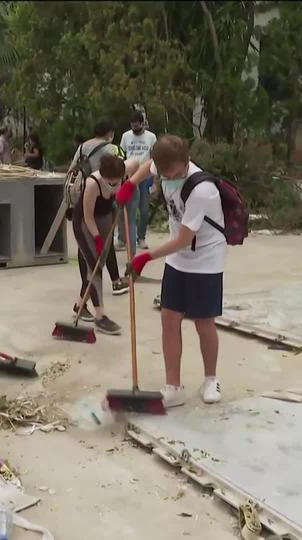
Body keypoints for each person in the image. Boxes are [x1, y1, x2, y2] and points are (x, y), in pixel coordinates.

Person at [117, 135, 226, 407]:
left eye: (178, 172)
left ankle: (211, 379)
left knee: (203, 322)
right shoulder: (161, 165)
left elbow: (184, 240)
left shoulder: (202, 190)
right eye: (167, 174)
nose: (173, 177)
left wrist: (146, 257)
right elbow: (148, 167)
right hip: (177, 259)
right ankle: (173, 386)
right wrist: (130, 184)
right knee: (169, 318)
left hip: (205, 260)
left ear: (186, 161)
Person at [68, 121, 129, 296]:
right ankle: (111, 282)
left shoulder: (82, 148)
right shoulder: (112, 149)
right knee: (103, 241)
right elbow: (123, 171)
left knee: (90, 244)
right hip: (103, 202)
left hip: (83, 199)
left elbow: (72, 170)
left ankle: (92, 285)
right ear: (110, 132)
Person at [72, 154, 125, 335]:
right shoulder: (93, 184)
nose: (114, 186)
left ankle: (79, 305)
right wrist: (96, 239)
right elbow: (87, 217)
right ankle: (100, 316)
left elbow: (137, 164)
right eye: (110, 183)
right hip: (85, 224)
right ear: (103, 177)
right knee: (94, 267)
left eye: (117, 182)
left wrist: (128, 189)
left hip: (105, 218)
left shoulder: (122, 171)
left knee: (98, 265)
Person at [119, 111, 158, 251]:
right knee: (125, 208)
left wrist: (155, 181)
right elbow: (121, 155)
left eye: (137, 127)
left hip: (146, 176)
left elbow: (154, 158)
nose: (135, 130)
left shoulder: (151, 137)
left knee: (144, 210)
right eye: (133, 127)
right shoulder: (126, 136)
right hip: (129, 176)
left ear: (143, 124)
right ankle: (122, 239)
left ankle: (141, 237)